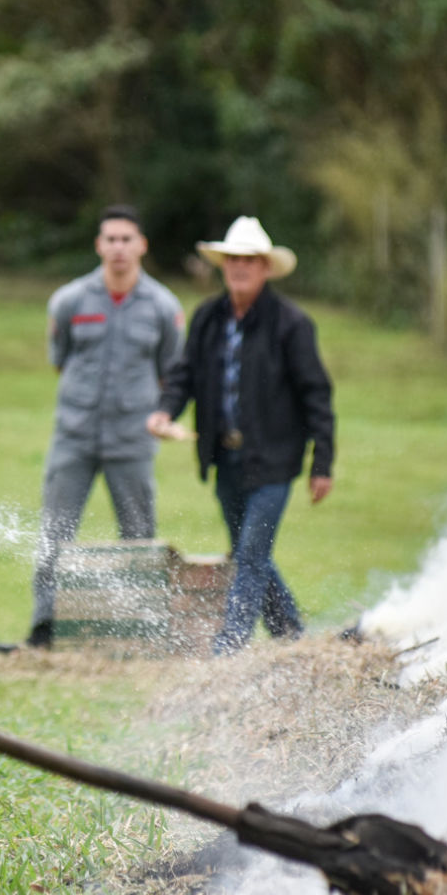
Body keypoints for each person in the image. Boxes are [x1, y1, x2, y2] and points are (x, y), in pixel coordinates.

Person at [145, 216, 334, 655]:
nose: (240, 268)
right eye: (233, 259)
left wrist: (322, 462)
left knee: (249, 556)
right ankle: (294, 640)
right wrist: (164, 412)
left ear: (266, 267)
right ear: (222, 265)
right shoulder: (208, 318)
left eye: (249, 260)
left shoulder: (291, 324)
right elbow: (183, 375)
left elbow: (316, 395)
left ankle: (226, 652)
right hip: (224, 459)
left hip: (274, 460)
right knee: (251, 556)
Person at [2, 206, 184, 653]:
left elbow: (171, 373)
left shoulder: (163, 307)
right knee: (55, 532)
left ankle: (141, 631)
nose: (119, 248)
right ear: (98, 245)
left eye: (127, 239)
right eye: (110, 239)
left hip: (132, 439)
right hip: (75, 435)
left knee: (138, 535)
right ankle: (44, 629)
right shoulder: (69, 300)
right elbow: (59, 358)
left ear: (142, 245)